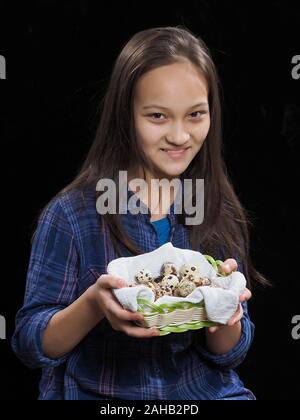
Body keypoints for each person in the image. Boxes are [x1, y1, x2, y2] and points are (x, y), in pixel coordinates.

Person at [12, 26, 267, 400]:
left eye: (195, 114)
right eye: (158, 116)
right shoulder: (72, 213)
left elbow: (231, 352)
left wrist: (223, 306)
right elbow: (30, 343)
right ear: (125, 116)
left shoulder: (217, 208)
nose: (180, 136)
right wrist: (95, 305)